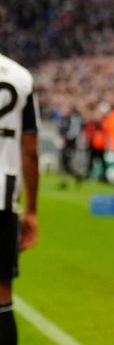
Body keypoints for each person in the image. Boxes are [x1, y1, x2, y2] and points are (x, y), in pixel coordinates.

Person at [0, 52, 39, 345]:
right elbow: (30, 150)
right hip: (3, 199)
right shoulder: (20, 76)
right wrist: (32, 211)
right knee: (3, 297)